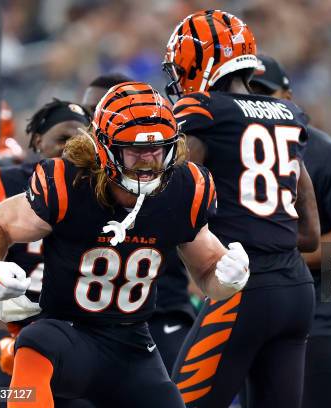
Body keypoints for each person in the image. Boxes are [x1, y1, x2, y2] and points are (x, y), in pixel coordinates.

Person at [0, 82, 250, 408]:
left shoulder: (185, 188)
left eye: (157, 149)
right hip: (70, 333)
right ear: (104, 148)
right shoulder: (69, 182)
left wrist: (229, 278)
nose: (147, 162)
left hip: (133, 344)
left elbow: (208, 275)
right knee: (34, 341)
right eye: (135, 151)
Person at [163, 10, 320, 408]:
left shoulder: (203, 111)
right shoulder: (288, 114)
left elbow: (176, 190)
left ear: (200, 62)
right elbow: (310, 233)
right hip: (296, 289)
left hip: (242, 284)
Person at [250, 54, 331, 408]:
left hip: (319, 319)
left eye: (265, 93)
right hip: (253, 315)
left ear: (288, 99)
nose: (257, 104)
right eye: (247, 94)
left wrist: (281, 259)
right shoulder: (235, 154)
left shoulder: (327, 154)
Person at [0, 99, 91, 408]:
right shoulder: (3, 183)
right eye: (62, 139)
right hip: (19, 330)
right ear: (38, 140)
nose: (71, 148)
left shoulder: (100, 190)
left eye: (81, 139)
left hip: (79, 336)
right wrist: (2, 340)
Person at [81, 73, 198, 371]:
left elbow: (316, 238)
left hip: (162, 313)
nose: (88, 125)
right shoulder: (70, 180)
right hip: (88, 325)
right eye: (86, 114)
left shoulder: (179, 179)